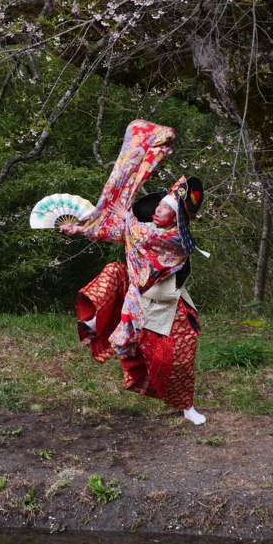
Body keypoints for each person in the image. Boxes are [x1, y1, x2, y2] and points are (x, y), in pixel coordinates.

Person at [57, 119, 207, 424]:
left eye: (164, 209)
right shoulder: (143, 226)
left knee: (178, 353)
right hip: (137, 294)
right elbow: (118, 232)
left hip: (167, 301)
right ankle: (94, 321)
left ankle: (186, 405)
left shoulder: (175, 236)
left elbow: (147, 236)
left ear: (175, 215)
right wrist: (81, 229)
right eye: (159, 208)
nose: (157, 211)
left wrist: (129, 219)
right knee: (113, 271)